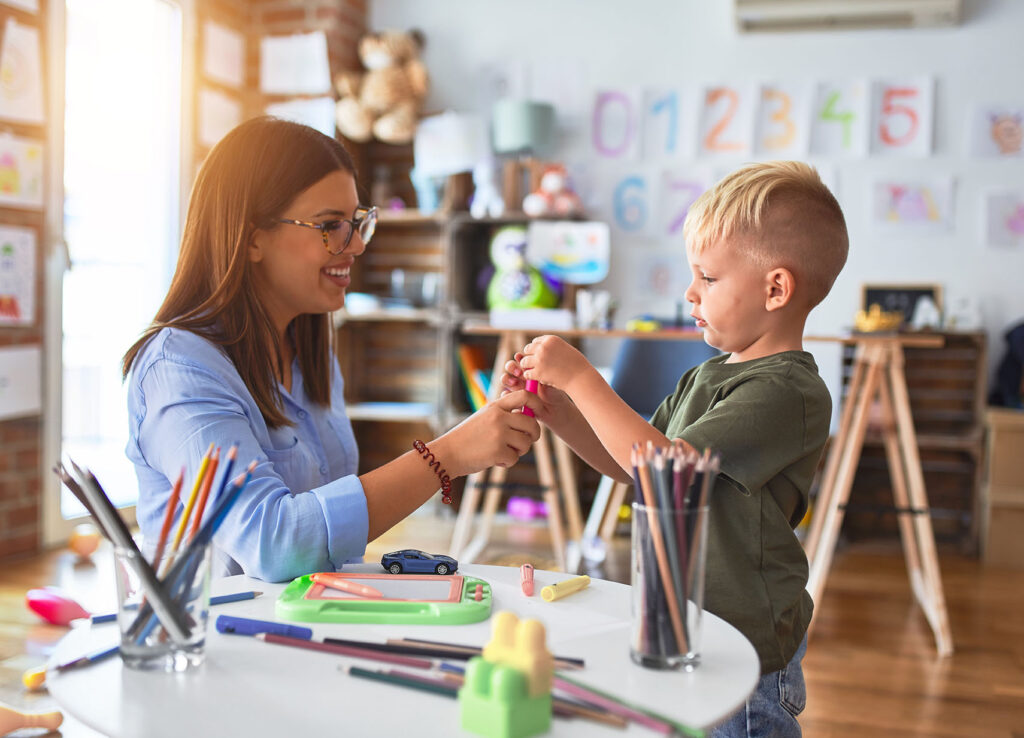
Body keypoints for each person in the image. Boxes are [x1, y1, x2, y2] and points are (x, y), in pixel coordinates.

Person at [502, 161, 848, 737]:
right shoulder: (706, 376)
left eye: (708, 278)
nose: (690, 292)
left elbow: (665, 466)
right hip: (687, 623)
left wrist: (584, 377)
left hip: (744, 644)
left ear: (776, 288)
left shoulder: (788, 390)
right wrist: (562, 410)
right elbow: (634, 465)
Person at [122, 117, 541, 582]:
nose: (357, 244)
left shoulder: (308, 351)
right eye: (331, 226)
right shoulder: (177, 369)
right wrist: (445, 457)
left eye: (359, 222)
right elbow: (275, 544)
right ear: (252, 236)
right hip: (212, 644)